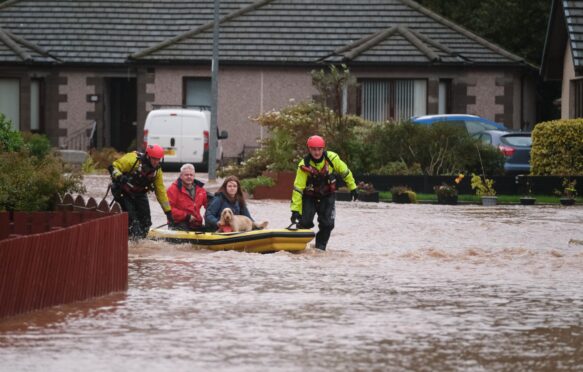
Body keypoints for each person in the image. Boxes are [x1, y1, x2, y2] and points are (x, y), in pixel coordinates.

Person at [290, 135, 358, 251]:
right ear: (309, 149)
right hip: (309, 197)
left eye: (319, 149)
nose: (317, 152)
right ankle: (298, 247)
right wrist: (295, 210)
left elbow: (345, 172)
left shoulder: (332, 158)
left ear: (323, 148)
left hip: (327, 196)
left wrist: (353, 187)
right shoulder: (303, 165)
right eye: (314, 149)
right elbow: (298, 188)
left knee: (328, 225)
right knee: (304, 222)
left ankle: (320, 249)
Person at [109, 144, 173, 240]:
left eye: (158, 159)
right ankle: (131, 241)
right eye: (154, 159)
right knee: (133, 222)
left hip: (139, 194)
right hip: (123, 192)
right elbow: (113, 167)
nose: (156, 162)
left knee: (146, 222)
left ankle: (140, 242)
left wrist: (168, 212)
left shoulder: (157, 172)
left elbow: (161, 192)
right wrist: (119, 176)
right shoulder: (133, 159)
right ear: (147, 156)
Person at [166, 163, 209, 231]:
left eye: (191, 175)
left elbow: (209, 206)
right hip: (178, 223)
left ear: (194, 176)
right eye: (186, 175)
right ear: (181, 176)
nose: (189, 177)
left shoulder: (201, 190)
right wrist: (187, 216)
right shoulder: (172, 189)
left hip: (196, 224)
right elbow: (169, 210)